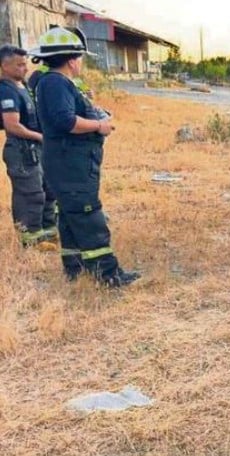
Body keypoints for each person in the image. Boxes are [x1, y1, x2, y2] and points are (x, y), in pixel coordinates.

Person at [30, 27, 138, 286]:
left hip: (67, 163)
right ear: (71, 59)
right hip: (71, 166)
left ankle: (76, 269)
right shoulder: (55, 82)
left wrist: (96, 115)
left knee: (70, 215)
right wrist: (99, 126)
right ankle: (108, 274)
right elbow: (66, 121)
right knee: (88, 215)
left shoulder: (55, 82)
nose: (80, 63)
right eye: (80, 58)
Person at [0, 44, 56, 250]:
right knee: (30, 194)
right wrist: (40, 137)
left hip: (36, 148)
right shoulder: (6, 91)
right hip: (22, 149)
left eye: (25, 64)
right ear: (4, 66)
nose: (25, 68)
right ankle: (31, 240)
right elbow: (12, 126)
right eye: (20, 65)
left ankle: (48, 232)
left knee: (47, 190)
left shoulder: (23, 86)